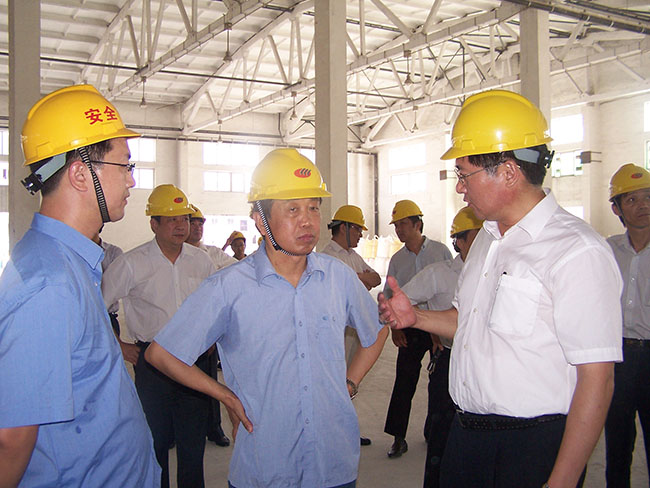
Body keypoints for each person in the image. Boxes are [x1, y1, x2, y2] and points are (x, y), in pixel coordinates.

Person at [378, 89, 623, 488]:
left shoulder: (576, 251)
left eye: (464, 174)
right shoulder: (488, 240)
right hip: (467, 436)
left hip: (532, 447)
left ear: (508, 172)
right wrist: (417, 317)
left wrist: (559, 482)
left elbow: (597, 378)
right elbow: (469, 322)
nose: (460, 187)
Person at [145, 148, 387, 488]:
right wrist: (225, 395)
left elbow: (376, 331)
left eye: (313, 208)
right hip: (265, 466)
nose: (307, 221)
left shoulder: (338, 277)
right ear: (260, 219)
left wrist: (350, 382)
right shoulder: (228, 287)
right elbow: (162, 353)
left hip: (334, 462)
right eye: (292, 209)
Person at [0, 84, 160, 487]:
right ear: (79, 174)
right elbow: (12, 439)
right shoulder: (48, 283)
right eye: (125, 166)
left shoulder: (70, 263)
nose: (132, 181)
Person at [102, 184, 216, 488]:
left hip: (193, 360)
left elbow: (212, 306)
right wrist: (120, 346)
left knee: (193, 443)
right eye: (172, 219)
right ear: (154, 224)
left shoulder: (201, 260)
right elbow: (97, 304)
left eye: (185, 219)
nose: (181, 226)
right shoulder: (131, 262)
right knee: (156, 442)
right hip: (152, 363)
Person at [400, 206, 483, 488]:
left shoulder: (502, 273)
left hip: (488, 365)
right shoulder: (439, 274)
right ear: (458, 240)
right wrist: (432, 327)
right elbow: (397, 299)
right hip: (449, 361)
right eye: (477, 236)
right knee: (441, 437)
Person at [383, 199, 452, 458]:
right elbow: (389, 295)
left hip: (438, 323)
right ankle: (398, 437)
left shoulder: (440, 252)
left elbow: (453, 285)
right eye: (396, 225)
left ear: (418, 225)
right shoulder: (397, 260)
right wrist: (394, 329)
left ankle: (433, 429)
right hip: (409, 328)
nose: (399, 230)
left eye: (403, 224)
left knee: (439, 382)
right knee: (404, 381)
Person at [322, 204, 383, 446]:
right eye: (357, 229)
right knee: (335, 381)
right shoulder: (328, 256)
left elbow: (376, 278)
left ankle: (346, 430)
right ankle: (332, 433)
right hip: (336, 331)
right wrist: (358, 279)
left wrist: (352, 277)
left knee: (350, 381)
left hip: (354, 331)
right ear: (344, 228)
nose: (360, 235)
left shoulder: (351, 257)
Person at [605, 163, 650, 488]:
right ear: (617, 208)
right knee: (617, 443)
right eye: (631, 200)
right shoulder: (607, 251)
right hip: (617, 358)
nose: (643, 205)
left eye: (648, 197)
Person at [186, 203, 234, 448]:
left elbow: (238, 273)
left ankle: (214, 428)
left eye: (200, 223)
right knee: (179, 385)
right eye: (192, 222)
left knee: (210, 381)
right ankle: (176, 432)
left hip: (207, 331)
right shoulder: (176, 256)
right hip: (181, 331)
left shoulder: (213, 254)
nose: (196, 227)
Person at [92, 229, 123, 335]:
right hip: (87, 317)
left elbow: (116, 286)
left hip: (109, 316)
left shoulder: (113, 252)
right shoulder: (73, 253)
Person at [187, 204, 238, 270]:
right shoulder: (176, 254)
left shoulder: (214, 253)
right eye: (193, 224)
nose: (198, 228)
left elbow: (239, 267)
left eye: (200, 224)